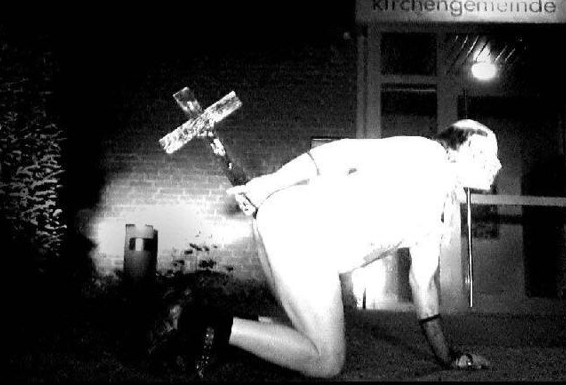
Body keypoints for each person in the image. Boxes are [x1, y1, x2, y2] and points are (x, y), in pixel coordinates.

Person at [160, 120, 500, 377]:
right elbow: (341, 152)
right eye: (491, 154)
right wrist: (269, 185)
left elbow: (423, 285)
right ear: (468, 146)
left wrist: (448, 356)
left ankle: (213, 330)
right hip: (301, 230)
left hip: (289, 227)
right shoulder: (427, 154)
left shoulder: (439, 208)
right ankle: (200, 323)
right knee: (327, 361)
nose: (497, 165)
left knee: (304, 333)